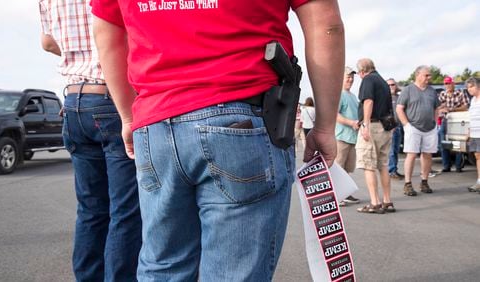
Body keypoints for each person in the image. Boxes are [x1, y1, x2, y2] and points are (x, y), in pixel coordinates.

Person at [92, 0, 345, 280]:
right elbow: (326, 24)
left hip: (156, 123)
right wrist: (323, 125)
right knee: (233, 272)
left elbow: (107, 33)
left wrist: (128, 117)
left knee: (163, 266)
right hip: (241, 115)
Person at [39, 1, 142, 280]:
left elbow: (47, 42)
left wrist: (78, 58)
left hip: (73, 102)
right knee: (126, 211)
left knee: (91, 209)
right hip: (113, 99)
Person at [354, 58, 394, 214]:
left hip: (373, 126)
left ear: (362, 71)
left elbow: (368, 101)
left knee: (368, 165)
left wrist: (365, 124)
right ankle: (387, 201)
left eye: (358, 73)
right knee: (382, 165)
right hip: (385, 127)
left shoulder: (368, 80)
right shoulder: (383, 82)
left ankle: (375, 203)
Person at [396, 65, 440, 196]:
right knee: (412, 154)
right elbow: (399, 108)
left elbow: (436, 108)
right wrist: (406, 125)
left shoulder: (432, 91)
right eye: (426, 75)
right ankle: (408, 184)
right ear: (418, 75)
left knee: (427, 154)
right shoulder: (408, 90)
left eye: (429, 75)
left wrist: (436, 123)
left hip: (430, 128)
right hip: (413, 127)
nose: (429, 77)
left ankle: (424, 182)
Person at [335, 66, 360, 206]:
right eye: (347, 77)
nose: (350, 79)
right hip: (341, 137)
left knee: (348, 168)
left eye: (352, 77)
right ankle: (337, 196)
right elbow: (335, 115)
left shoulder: (352, 95)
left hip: (352, 137)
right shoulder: (340, 94)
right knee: (339, 167)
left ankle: (346, 193)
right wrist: (351, 123)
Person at [437, 76, 469, 173]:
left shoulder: (460, 92)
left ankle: (458, 166)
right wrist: (442, 109)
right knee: (443, 143)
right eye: (446, 83)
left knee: (457, 143)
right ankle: (446, 166)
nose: (447, 85)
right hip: (445, 120)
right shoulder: (442, 94)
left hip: (457, 121)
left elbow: (466, 106)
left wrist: (452, 109)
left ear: (453, 84)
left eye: (449, 83)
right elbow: (438, 107)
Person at [387, 78, 405, 180]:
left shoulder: (399, 97)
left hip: (399, 126)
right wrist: (390, 126)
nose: (391, 87)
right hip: (391, 127)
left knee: (397, 150)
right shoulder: (385, 98)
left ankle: (395, 170)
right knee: (391, 150)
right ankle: (391, 171)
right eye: (388, 85)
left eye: (392, 84)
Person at [465, 77, 480, 192]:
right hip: (475, 133)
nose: (469, 89)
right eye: (467, 87)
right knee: (477, 156)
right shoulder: (473, 100)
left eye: (471, 86)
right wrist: (469, 132)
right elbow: (471, 117)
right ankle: (479, 182)